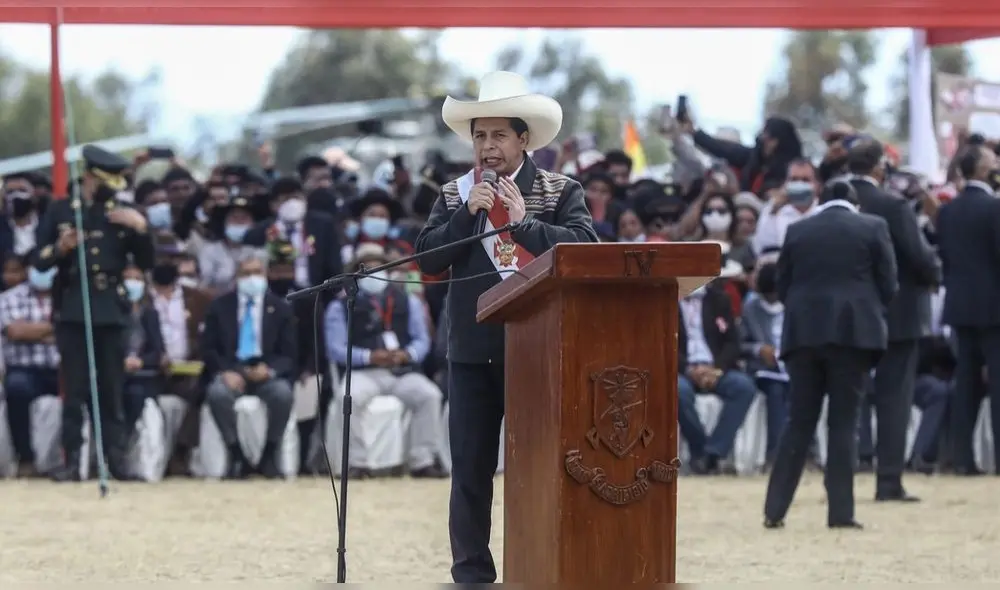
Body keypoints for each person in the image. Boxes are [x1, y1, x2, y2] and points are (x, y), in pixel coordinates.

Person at [414, 70, 598, 583]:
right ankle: (472, 570)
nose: (487, 146)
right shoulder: (456, 194)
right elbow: (427, 258)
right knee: (470, 469)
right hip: (472, 350)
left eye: (498, 135)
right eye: (479, 136)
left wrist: (527, 226)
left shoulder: (560, 190)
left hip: (538, 347)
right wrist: (463, 219)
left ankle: (538, 560)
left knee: (538, 465)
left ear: (524, 139)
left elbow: (586, 249)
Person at [763, 180, 897, 530]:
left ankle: (774, 509)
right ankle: (840, 512)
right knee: (843, 424)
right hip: (853, 336)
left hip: (803, 334)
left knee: (799, 422)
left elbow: (782, 285)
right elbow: (890, 285)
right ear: (854, 202)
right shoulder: (873, 227)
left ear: (820, 200)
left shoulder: (798, 229)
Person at [35, 144, 155, 482]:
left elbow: (147, 263)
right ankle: (72, 460)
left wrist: (141, 228)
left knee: (111, 390)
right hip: (75, 308)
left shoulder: (123, 213)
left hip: (111, 311)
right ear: (90, 178)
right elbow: (38, 261)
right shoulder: (62, 211)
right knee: (74, 391)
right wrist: (61, 248)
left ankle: (115, 460)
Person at [847, 139, 941, 501]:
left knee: (846, 397)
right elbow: (921, 258)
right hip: (899, 315)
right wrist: (936, 270)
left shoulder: (832, 203)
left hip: (850, 316)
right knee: (894, 398)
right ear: (879, 167)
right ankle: (888, 480)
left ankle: (842, 478)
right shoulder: (893, 205)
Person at [324, 244, 447, 479]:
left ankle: (422, 460)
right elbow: (336, 348)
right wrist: (368, 356)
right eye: (367, 268)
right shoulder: (341, 305)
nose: (374, 272)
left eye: (379, 267)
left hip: (401, 371)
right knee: (347, 398)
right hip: (365, 371)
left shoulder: (407, 300)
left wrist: (407, 354)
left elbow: (422, 340)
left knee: (429, 395)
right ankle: (356, 463)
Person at [201, 254, 297, 479]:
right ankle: (236, 454)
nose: (252, 278)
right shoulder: (219, 306)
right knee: (216, 393)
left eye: (257, 273)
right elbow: (209, 349)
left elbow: (290, 354)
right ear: (237, 278)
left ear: (265, 276)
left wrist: (270, 370)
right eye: (246, 273)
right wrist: (225, 371)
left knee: (283, 394)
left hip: (266, 372)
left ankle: (269, 454)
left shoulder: (281, 308)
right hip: (233, 370)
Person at [936, 143, 1000, 475]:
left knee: (966, 384)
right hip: (994, 308)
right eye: (991, 161)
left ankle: (962, 458)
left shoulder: (947, 210)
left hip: (960, 306)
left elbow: (945, 257)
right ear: (978, 169)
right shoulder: (994, 208)